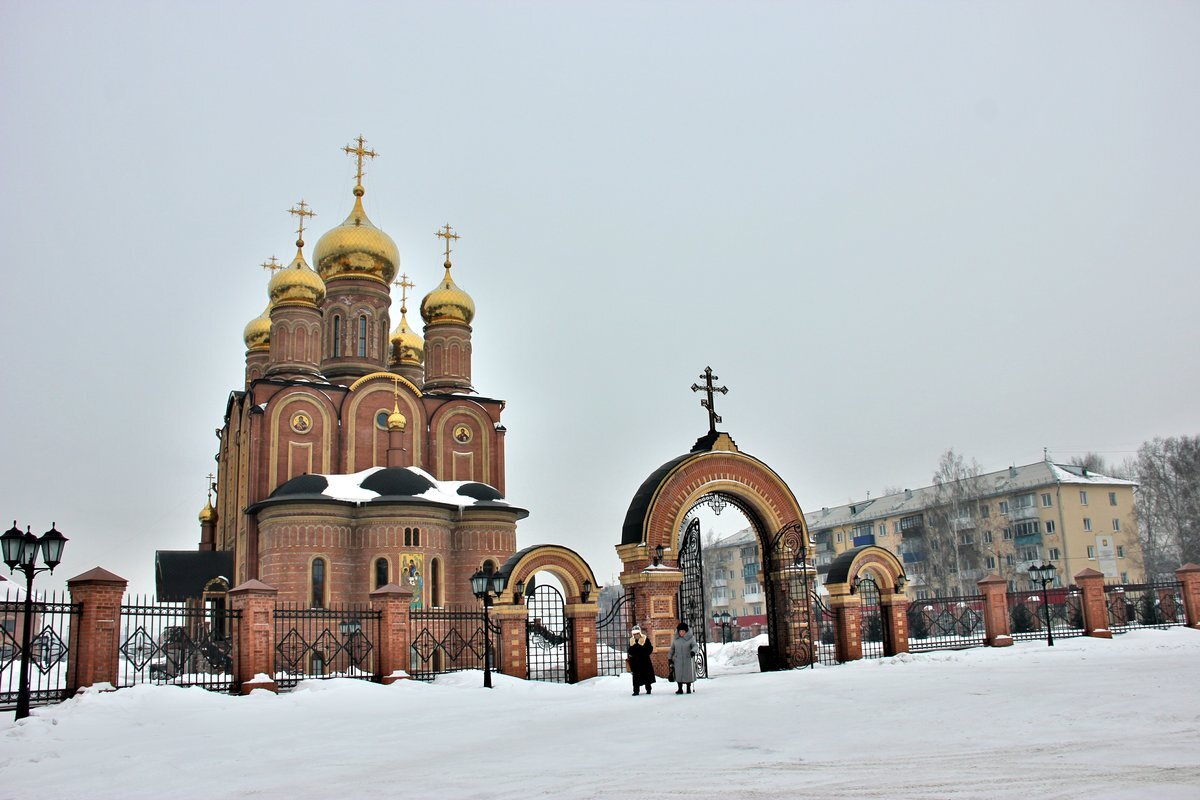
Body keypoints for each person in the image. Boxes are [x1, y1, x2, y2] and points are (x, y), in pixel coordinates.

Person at [668, 621, 697, 694]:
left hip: (688, 658)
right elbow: (672, 649)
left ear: (686, 631)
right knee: (679, 674)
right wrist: (670, 658)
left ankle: (688, 687)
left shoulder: (691, 638)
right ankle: (680, 688)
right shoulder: (675, 639)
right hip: (678, 659)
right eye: (680, 631)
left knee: (687, 673)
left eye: (683, 631)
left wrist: (693, 651)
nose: (681, 633)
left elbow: (695, 646)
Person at [626, 625, 655, 696]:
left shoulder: (645, 639)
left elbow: (650, 649)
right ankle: (636, 691)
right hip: (635, 662)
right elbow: (629, 651)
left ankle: (648, 689)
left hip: (645, 661)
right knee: (636, 677)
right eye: (635, 634)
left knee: (646, 676)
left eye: (637, 633)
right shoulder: (631, 641)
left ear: (640, 633)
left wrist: (641, 649)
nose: (636, 635)